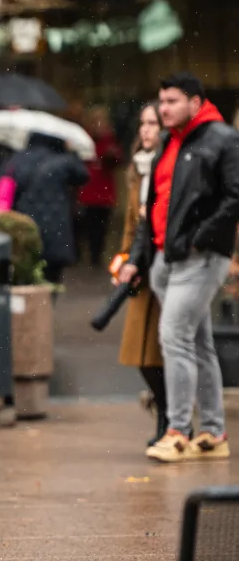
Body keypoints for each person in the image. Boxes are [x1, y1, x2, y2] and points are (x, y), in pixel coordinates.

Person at [121, 73, 239, 462]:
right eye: (162, 101)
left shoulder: (221, 139)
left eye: (172, 101)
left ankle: (177, 431)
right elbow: (153, 206)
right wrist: (140, 259)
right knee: (198, 344)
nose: (164, 108)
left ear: (195, 102)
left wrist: (200, 238)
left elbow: (235, 196)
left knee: (174, 337)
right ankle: (214, 433)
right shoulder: (171, 142)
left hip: (199, 258)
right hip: (167, 259)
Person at [117, 103, 167, 449]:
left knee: (165, 352)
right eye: (143, 123)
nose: (146, 130)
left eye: (153, 123)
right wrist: (123, 260)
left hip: (165, 265)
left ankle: (173, 420)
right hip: (140, 270)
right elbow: (131, 224)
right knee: (142, 355)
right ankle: (166, 412)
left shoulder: (170, 168)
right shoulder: (137, 168)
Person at [8, 132, 89, 285]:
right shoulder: (63, 160)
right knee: (51, 278)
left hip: (25, 227)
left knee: (25, 277)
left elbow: (3, 181)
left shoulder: (18, 159)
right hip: (54, 228)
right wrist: (71, 152)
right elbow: (83, 175)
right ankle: (47, 299)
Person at [76, 106, 124, 269]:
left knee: (101, 228)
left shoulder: (110, 141)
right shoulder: (84, 141)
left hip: (104, 194)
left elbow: (116, 162)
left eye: (101, 121)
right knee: (86, 227)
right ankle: (86, 256)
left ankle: (96, 257)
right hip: (87, 192)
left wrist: (111, 155)